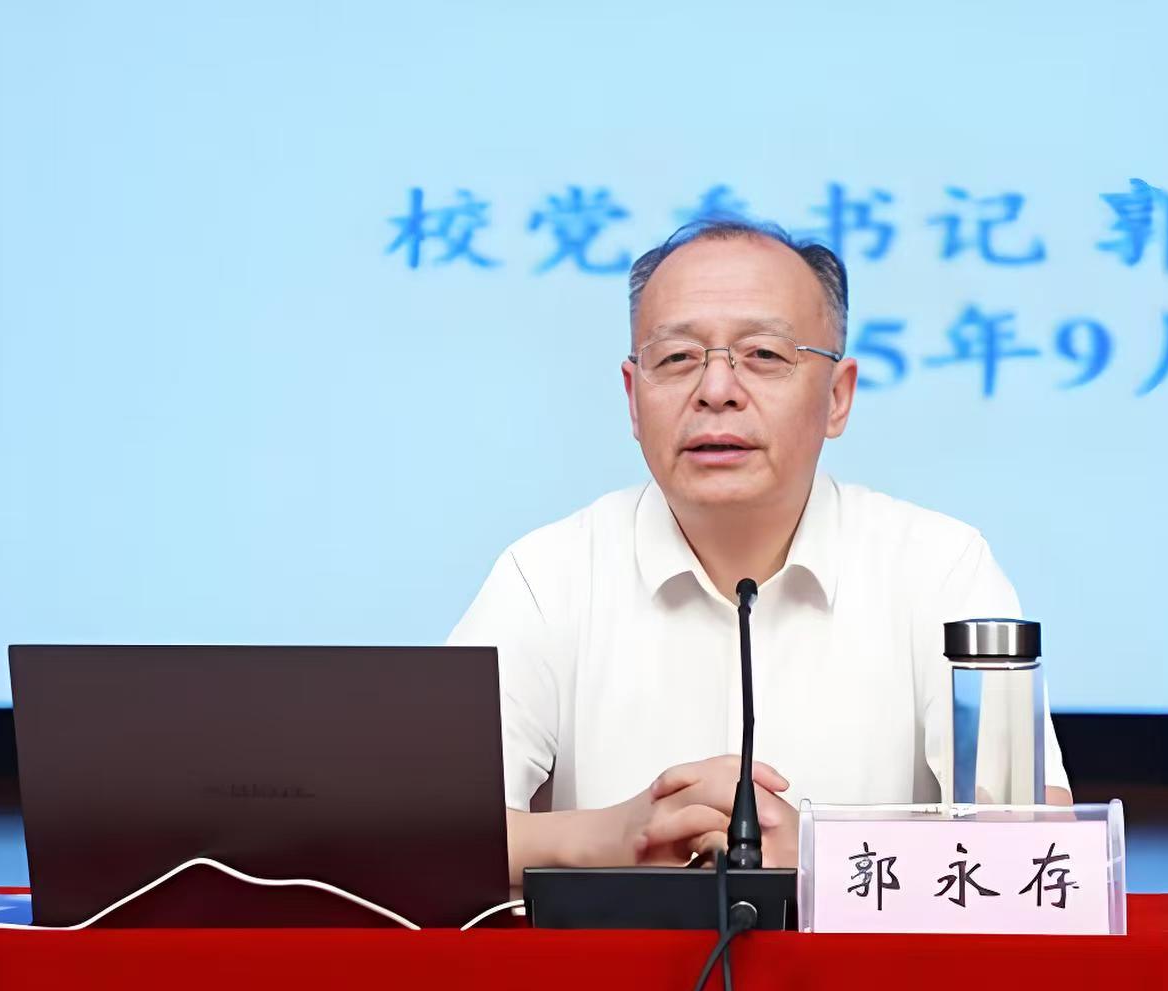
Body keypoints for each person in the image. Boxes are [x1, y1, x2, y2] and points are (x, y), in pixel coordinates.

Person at [449, 219, 1072, 883]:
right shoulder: (547, 575)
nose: (716, 390)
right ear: (633, 398)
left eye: (765, 355)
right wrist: (615, 835)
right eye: (677, 358)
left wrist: (824, 857)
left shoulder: (939, 567)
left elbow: (1036, 844)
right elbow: (416, 832)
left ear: (838, 397)